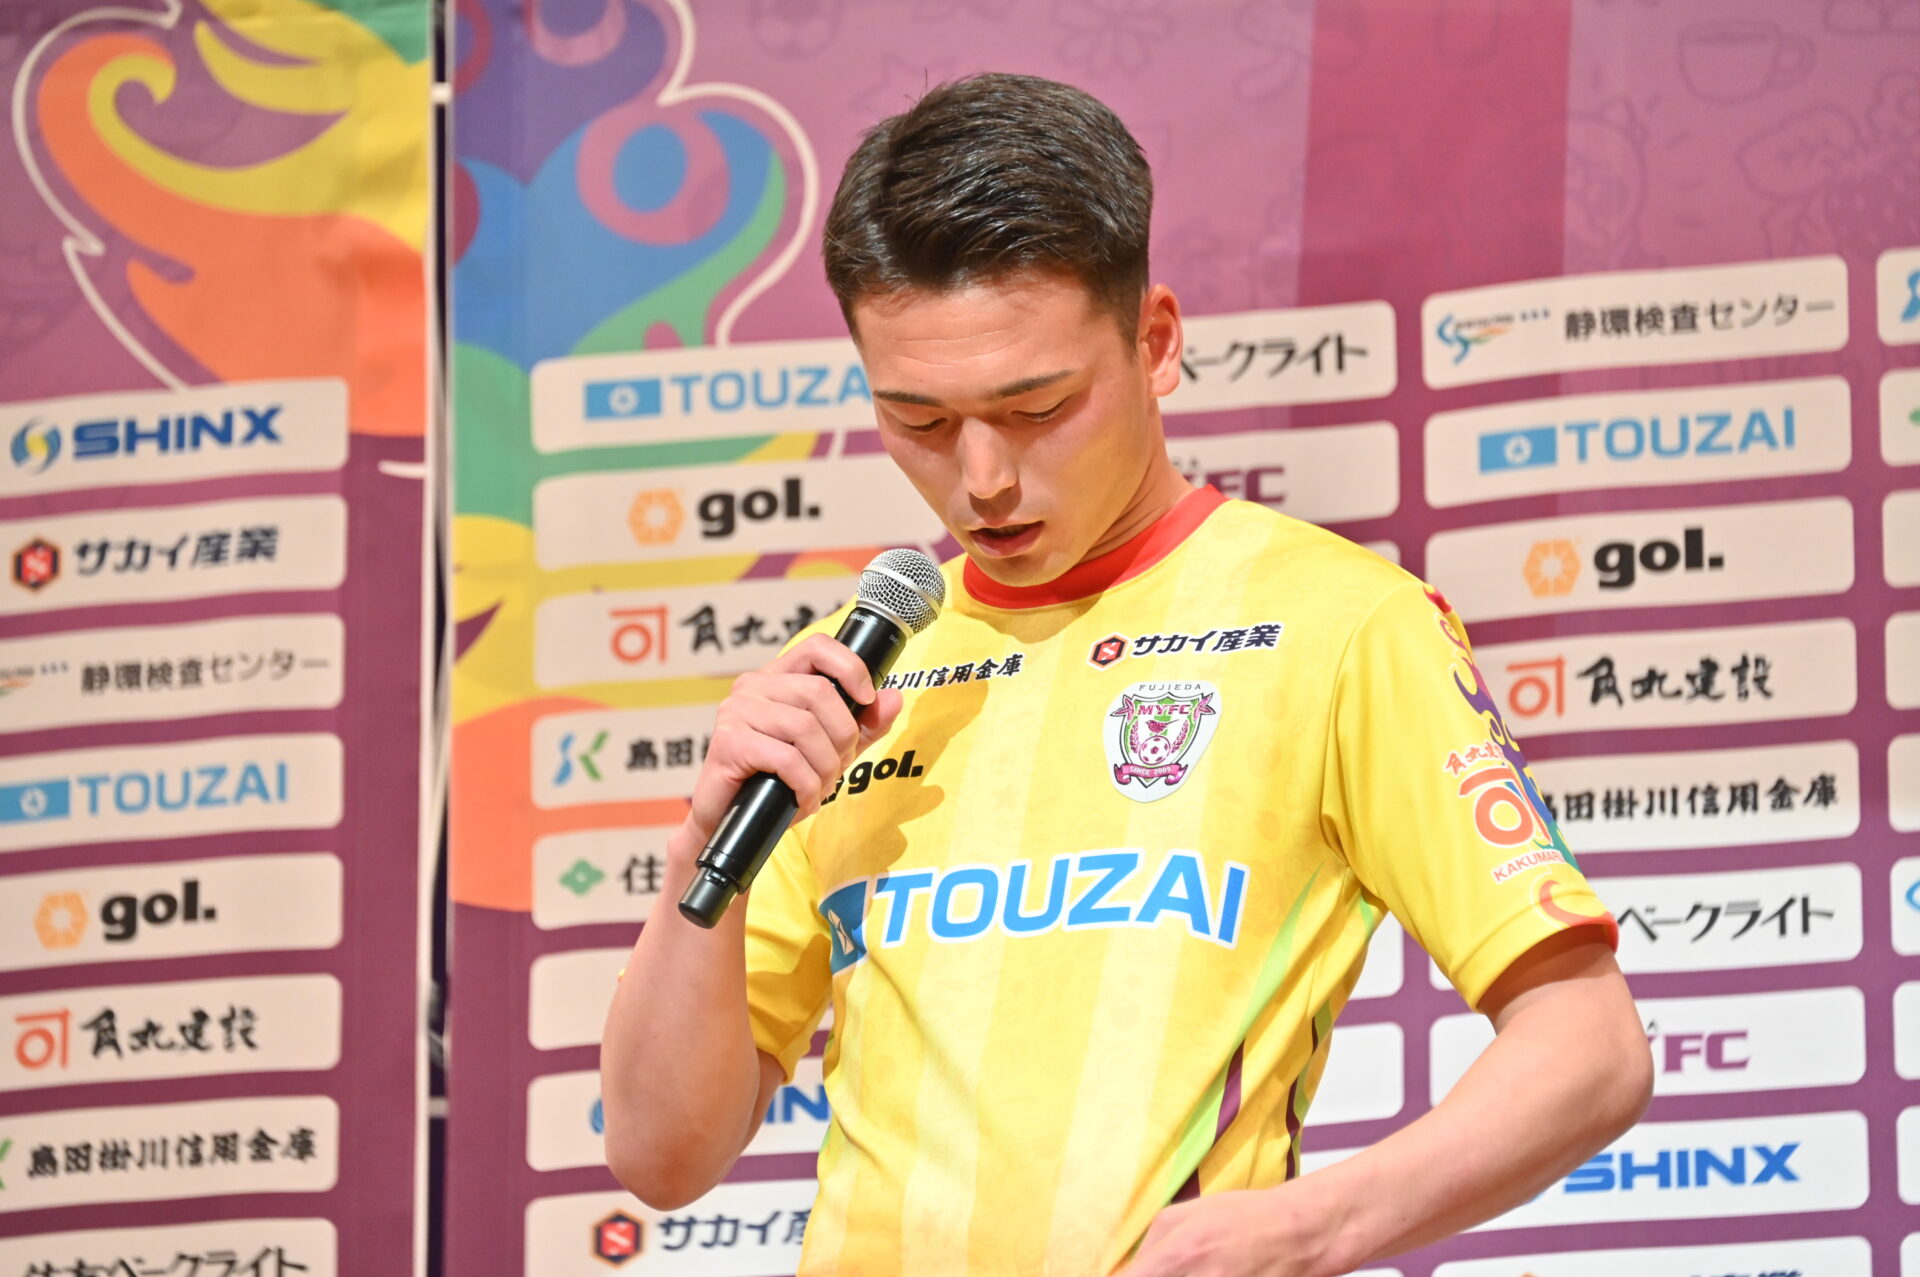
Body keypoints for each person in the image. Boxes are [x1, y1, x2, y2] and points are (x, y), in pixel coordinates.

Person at [601, 72, 1651, 1276]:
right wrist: (703, 850)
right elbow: (660, 1152)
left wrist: (1314, 1225)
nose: (982, 478)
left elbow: (1590, 1043)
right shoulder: (848, 672)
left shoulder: (1341, 622)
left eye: (1037, 406)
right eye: (920, 421)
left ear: (1155, 343)